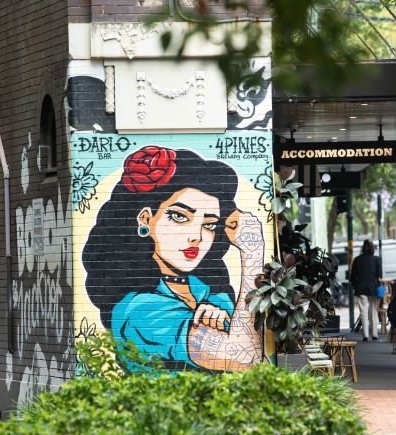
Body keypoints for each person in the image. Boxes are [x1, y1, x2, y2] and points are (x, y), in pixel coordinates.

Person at [83, 146, 265, 372]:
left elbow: (259, 360)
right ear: (146, 219)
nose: (196, 236)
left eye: (209, 225)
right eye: (180, 217)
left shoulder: (211, 294)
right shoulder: (139, 311)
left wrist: (224, 318)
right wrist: (252, 254)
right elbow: (244, 359)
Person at [351, 239, 382, 341]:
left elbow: (353, 276)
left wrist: (355, 285)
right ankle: (374, 334)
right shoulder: (377, 259)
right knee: (373, 311)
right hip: (373, 288)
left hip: (361, 288)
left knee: (363, 311)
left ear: (363, 248)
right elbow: (379, 274)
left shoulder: (357, 260)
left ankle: (365, 335)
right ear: (372, 249)